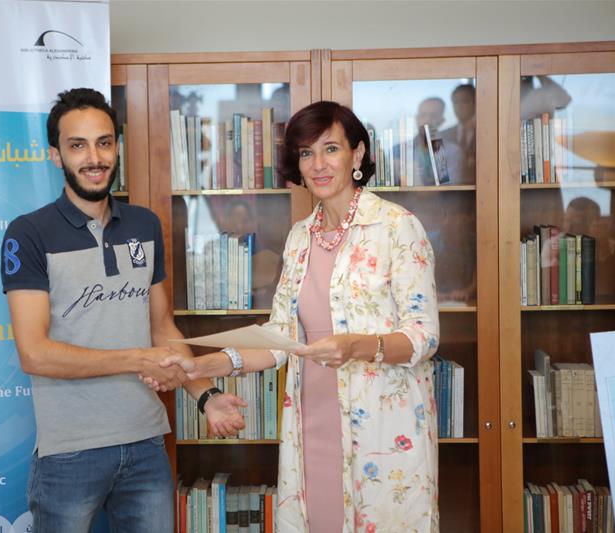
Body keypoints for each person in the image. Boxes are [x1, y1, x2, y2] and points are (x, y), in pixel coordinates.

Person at [149, 101, 440, 532]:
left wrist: (358, 346)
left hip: (382, 430)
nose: (318, 164)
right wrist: (199, 366)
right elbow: (281, 336)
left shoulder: (397, 227)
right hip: (312, 420)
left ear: (358, 154)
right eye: (306, 153)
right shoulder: (300, 236)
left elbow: (424, 335)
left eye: (330, 149)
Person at [0, 88, 246, 533]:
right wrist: (137, 359)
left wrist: (205, 396)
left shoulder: (144, 224)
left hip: (146, 443)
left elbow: (162, 328)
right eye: (78, 145)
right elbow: (34, 354)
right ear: (56, 155)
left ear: (116, 147)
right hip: (69, 452)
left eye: (104, 143)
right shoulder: (29, 233)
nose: (94, 158)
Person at [413, 97, 463, 186]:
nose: (427, 120)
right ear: (417, 118)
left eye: (433, 116)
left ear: (442, 121)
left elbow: (447, 188)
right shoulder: (400, 150)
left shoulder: (453, 152)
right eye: (423, 115)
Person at [441, 84, 476, 184]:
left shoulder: (487, 133)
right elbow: (441, 173)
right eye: (456, 102)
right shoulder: (444, 135)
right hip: (450, 191)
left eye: (464, 101)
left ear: (475, 103)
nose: (459, 106)